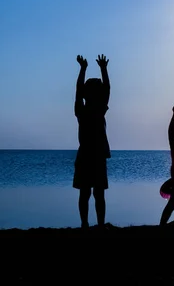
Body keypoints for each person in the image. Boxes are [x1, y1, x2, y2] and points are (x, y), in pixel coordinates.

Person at [73, 54, 111, 229]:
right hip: (94, 155)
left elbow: (79, 89)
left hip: (89, 154)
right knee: (94, 193)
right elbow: (106, 89)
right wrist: (102, 69)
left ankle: (87, 224)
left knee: (88, 193)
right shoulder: (95, 109)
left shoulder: (84, 109)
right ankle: (93, 224)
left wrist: (84, 68)